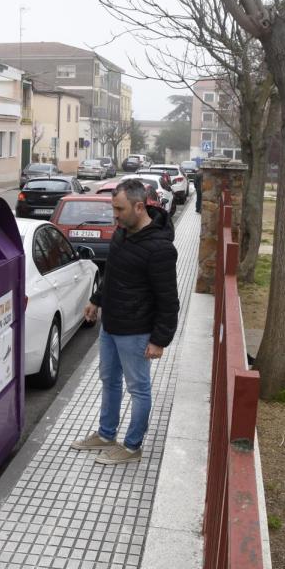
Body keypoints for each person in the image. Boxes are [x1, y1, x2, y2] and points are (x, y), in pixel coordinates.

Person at [70, 179, 180, 465]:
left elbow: (169, 300)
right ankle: (106, 434)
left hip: (137, 332)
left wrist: (159, 340)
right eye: (113, 209)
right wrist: (96, 300)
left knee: (138, 388)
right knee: (109, 380)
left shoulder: (160, 249)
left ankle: (132, 446)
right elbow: (113, 275)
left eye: (119, 209)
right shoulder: (122, 233)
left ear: (139, 206)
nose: (114, 216)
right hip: (111, 325)